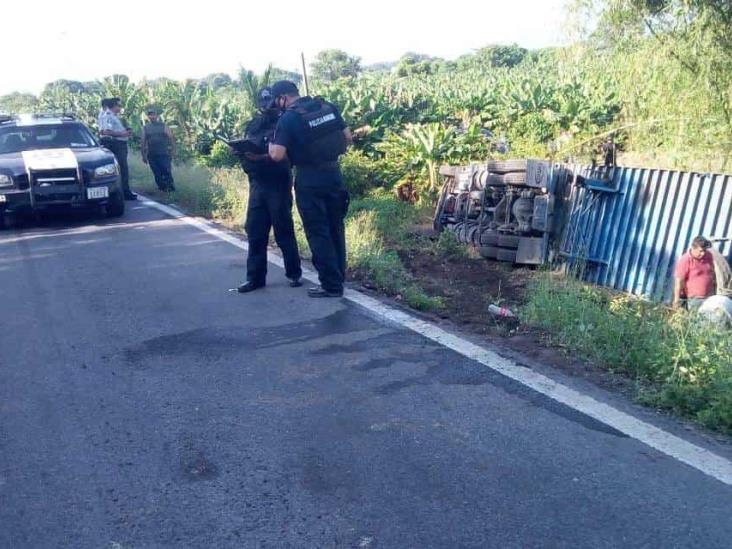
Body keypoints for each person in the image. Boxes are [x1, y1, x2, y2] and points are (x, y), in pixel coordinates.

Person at [268, 80, 352, 298]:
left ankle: (331, 285)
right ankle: (339, 277)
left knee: (318, 231)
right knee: (336, 228)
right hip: (334, 174)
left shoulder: (289, 118)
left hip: (309, 178)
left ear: (282, 98)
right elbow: (348, 138)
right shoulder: (327, 107)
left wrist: (273, 145)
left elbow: (277, 154)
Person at [234, 87, 302, 293]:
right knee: (255, 231)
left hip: (278, 182)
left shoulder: (286, 121)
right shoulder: (255, 124)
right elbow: (249, 146)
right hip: (257, 183)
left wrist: (262, 157)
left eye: (268, 99)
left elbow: (289, 154)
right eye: (262, 99)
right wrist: (239, 150)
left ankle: (294, 273)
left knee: (283, 230)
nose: (265, 103)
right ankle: (254, 278)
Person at [100, 97, 136, 200]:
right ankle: (124, 192)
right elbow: (105, 132)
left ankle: (125, 191)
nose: (120, 108)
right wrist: (122, 133)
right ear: (114, 106)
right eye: (119, 105)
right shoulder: (108, 116)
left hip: (119, 143)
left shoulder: (113, 116)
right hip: (116, 144)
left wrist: (125, 131)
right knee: (122, 168)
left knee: (122, 168)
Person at [673, 235, 716, 310]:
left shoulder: (708, 256)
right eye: (700, 251)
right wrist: (676, 301)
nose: (703, 253)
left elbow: (712, 273)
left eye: (704, 250)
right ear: (693, 248)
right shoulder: (685, 260)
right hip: (694, 299)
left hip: (709, 299)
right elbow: (679, 282)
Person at [141, 107, 176, 192]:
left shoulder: (163, 126)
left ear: (157, 116)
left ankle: (170, 189)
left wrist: (173, 150)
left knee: (166, 171)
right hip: (152, 155)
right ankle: (162, 189)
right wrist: (143, 155)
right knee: (157, 173)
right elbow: (143, 141)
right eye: (150, 115)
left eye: (153, 114)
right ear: (148, 117)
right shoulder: (146, 127)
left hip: (163, 154)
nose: (152, 116)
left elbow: (171, 138)